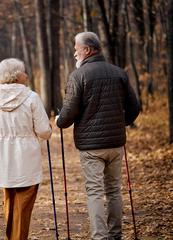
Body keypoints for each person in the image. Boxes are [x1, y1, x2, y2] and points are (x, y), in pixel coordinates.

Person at [55, 32, 141, 240]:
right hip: (115, 144)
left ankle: (100, 237)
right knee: (113, 190)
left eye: (76, 48)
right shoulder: (119, 73)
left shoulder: (78, 77)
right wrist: (123, 123)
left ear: (87, 50)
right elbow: (135, 107)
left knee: (94, 192)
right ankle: (115, 234)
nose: (74, 53)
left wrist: (58, 120)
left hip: (91, 147)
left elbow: (68, 115)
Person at [0, 58, 52, 240]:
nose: (26, 75)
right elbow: (43, 131)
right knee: (23, 207)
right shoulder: (32, 97)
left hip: (2, 158)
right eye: (24, 72)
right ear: (17, 76)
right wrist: (47, 132)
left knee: (9, 204)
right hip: (27, 159)